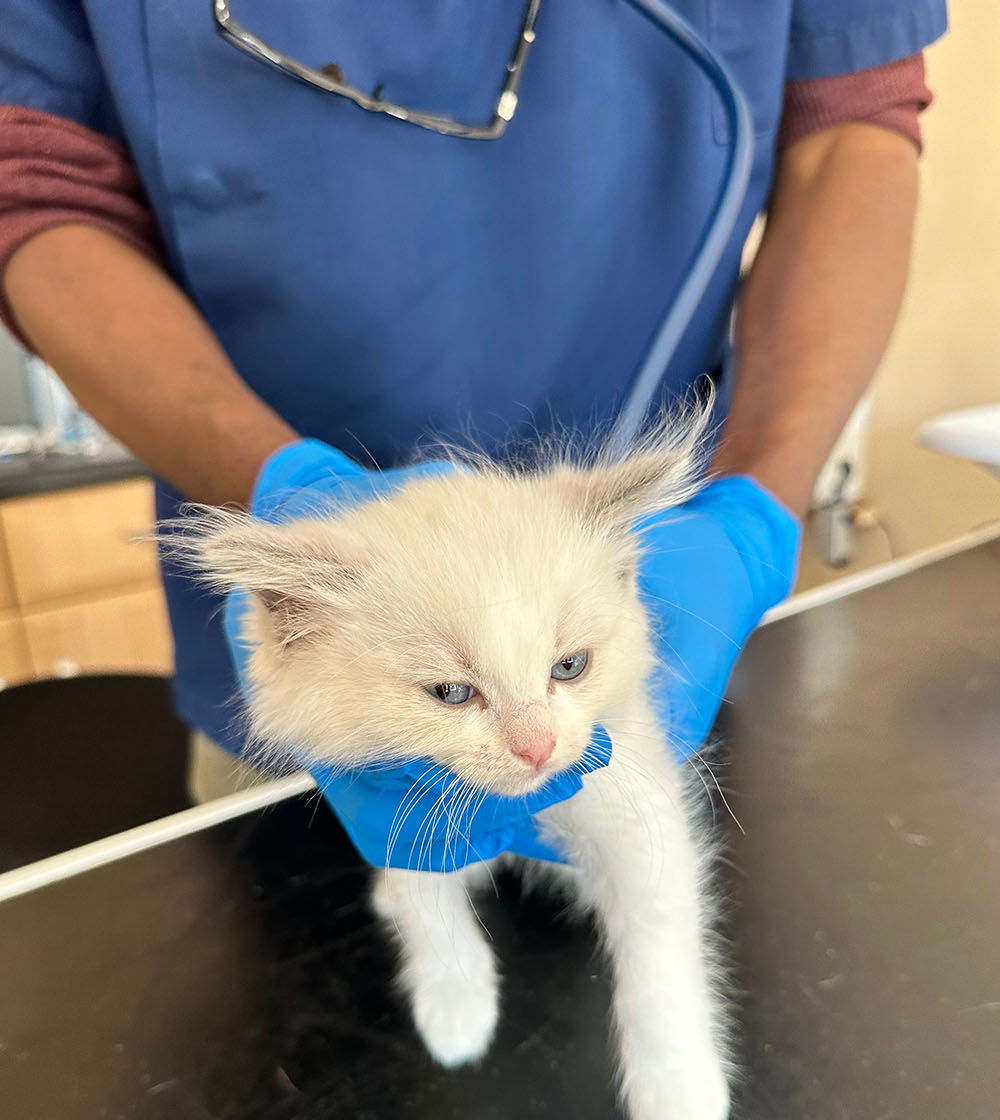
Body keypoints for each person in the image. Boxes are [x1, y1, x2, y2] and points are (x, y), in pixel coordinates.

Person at [0, 1, 943, 863]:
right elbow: (33, 186)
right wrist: (276, 486)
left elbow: (851, 130)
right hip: (299, 567)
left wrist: (754, 508)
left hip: (639, 573)